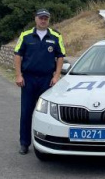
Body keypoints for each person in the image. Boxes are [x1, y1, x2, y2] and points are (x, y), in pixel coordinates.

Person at [14, 8, 66, 155]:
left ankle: (45, 142)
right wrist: (18, 75)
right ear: (35, 19)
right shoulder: (26, 35)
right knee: (26, 112)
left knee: (46, 113)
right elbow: (18, 55)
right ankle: (24, 143)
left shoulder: (56, 36)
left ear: (48, 20)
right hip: (29, 79)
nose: (43, 20)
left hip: (47, 80)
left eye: (46, 18)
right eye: (41, 18)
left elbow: (60, 56)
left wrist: (56, 76)